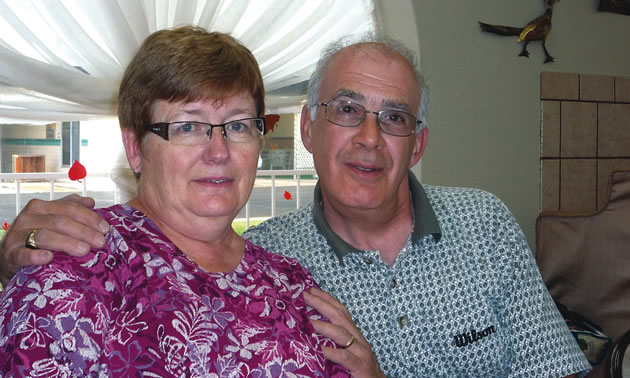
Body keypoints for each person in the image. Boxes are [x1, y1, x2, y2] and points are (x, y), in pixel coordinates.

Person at [0, 33, 590, 377]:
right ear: (308, 130)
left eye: (393, 118)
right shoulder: (79, 257)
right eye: (346, 110)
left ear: (419, 145)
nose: (367, 138)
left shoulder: (283, 277)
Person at [0, 26, 363, 377]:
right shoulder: (74, 266)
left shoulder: (291, 283)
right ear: (135, 149)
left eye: (237, 126)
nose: (219, 152)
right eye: (188, 127)